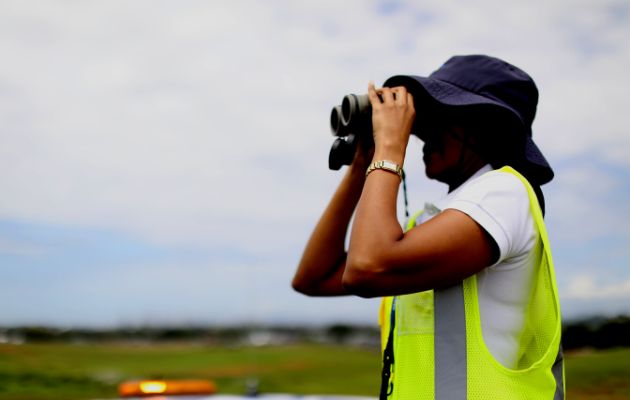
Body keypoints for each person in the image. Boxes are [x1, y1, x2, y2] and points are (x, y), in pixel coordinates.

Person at [292, 55, 563, 399]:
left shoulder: (504, 193)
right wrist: (361, 164)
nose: (423, 133)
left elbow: (364, 266)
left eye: (440, 117)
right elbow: (312, 278)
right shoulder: (426, 223)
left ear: (483, 126)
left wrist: (389, 147)